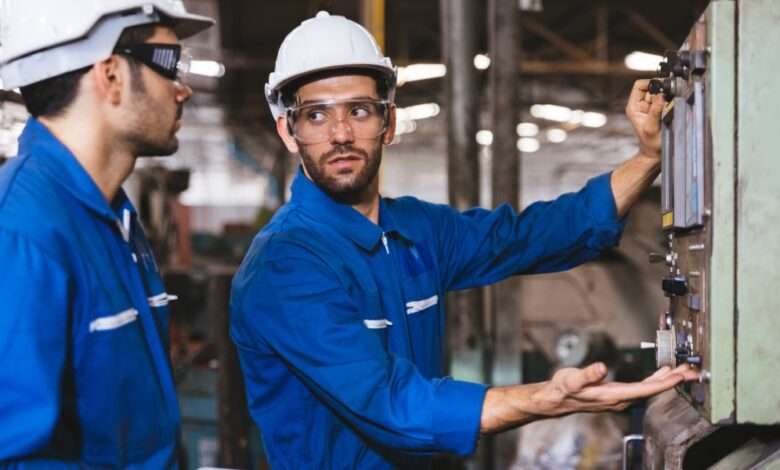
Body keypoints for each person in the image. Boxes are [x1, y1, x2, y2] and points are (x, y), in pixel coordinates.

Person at [230, 11, 699, 469]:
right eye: (316, 115)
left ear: (387, 123)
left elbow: (531, 236)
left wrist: (648, 159)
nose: (341, 134)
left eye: (359, 110)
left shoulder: (414, 231)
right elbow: (393, 405)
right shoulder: (284, 264)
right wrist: (545, 398)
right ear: (288, 132)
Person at [0, 1, 214, 467]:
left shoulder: (113, 218)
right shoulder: (21, 233)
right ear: (111, 75)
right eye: (170, 65)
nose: (184, 90)